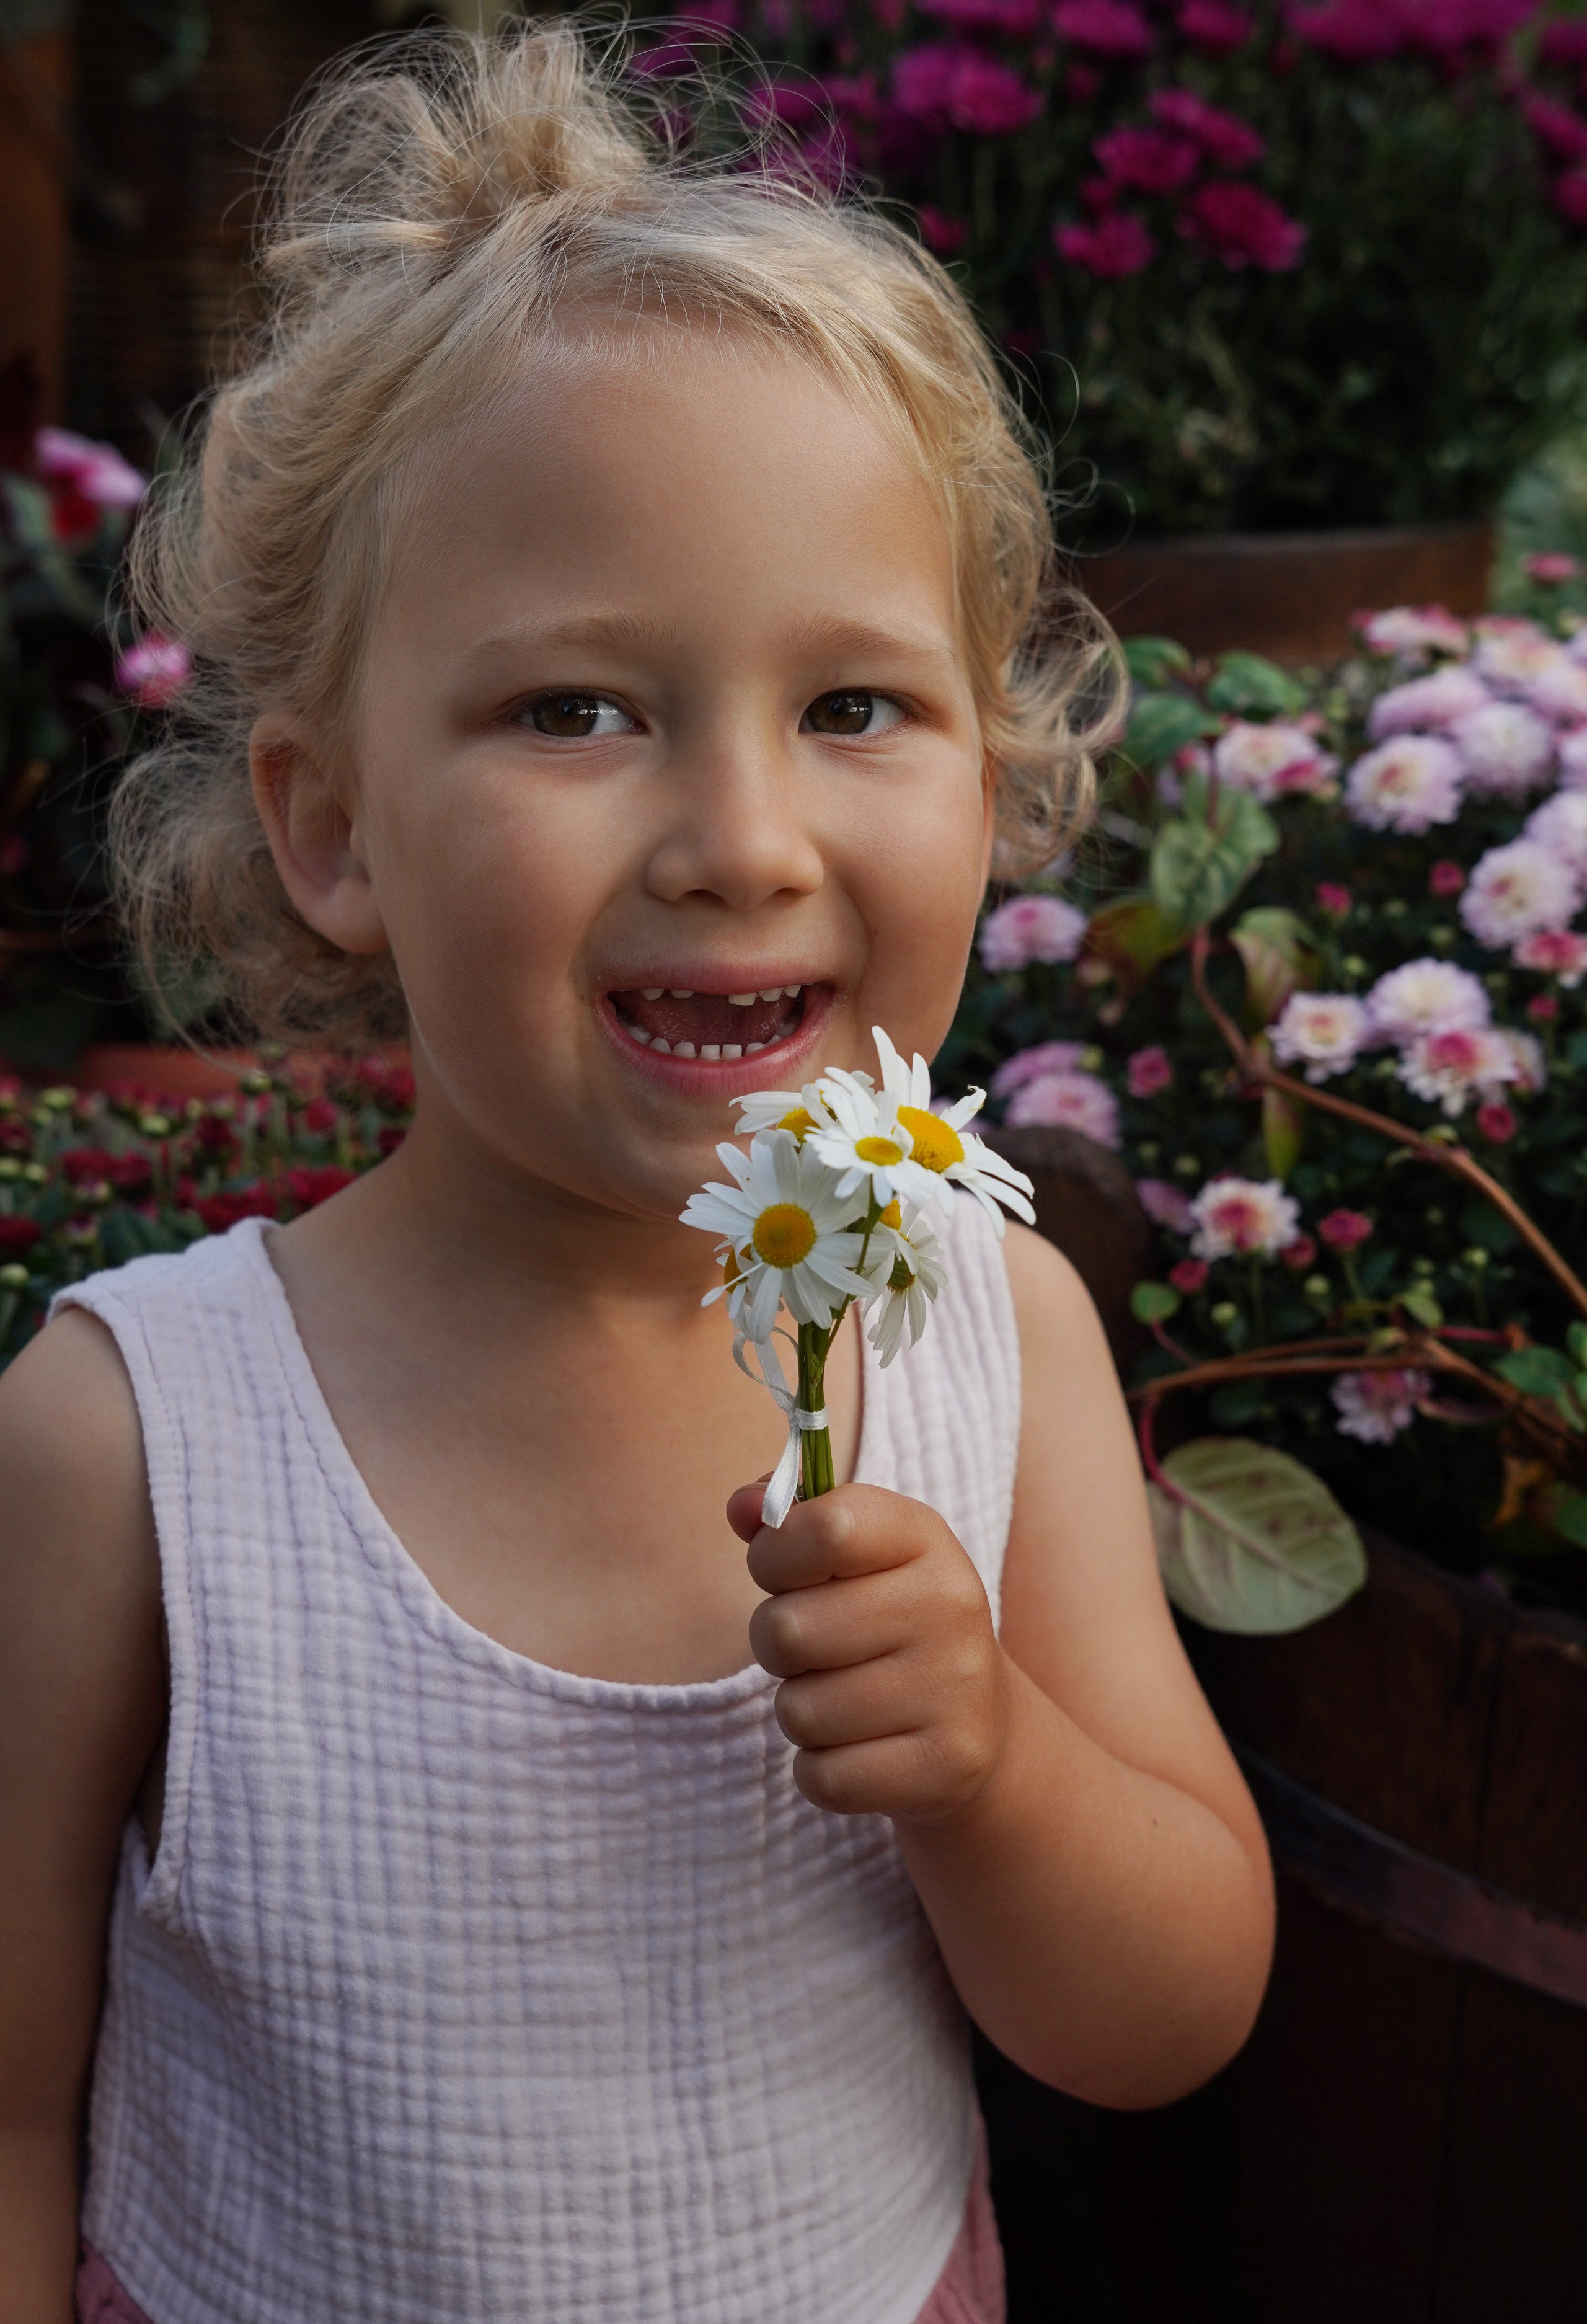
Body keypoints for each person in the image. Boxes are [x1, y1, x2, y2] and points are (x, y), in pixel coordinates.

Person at [0, 22, 1273, 2322]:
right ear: (330, 824)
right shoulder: (127, 1439)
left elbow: (1166, 2011)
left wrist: (990, 1772)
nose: (743, 839)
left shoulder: (988, 1335)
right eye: (577, 707)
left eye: (859, 704)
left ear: (997, 777)